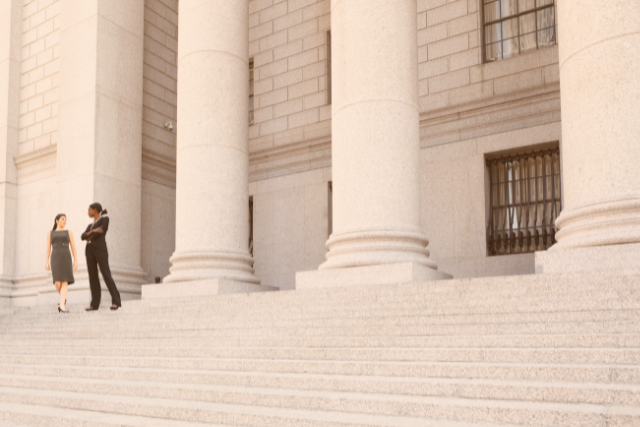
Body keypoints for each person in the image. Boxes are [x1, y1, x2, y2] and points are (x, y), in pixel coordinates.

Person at [82, 203, 121, 311]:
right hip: (89, 251)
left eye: (89, 210)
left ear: (95, 210)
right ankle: (94, 304)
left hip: (100, 250)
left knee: (106, 274)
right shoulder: (90, 226)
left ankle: (116, 301)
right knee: (93, 277)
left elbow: (101, 231)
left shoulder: (105, 219)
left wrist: (89, 235)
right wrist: (93, 231)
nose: (88, 212)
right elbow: (82, 236)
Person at [45, 214, 78, 313]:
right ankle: (63, 298)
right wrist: (46, 261)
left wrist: (75, 260)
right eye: (62, 219)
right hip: (55, 258)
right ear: (57, 220)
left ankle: (62, 305)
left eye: (65, 220)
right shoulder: (50, 233)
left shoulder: (69, 232)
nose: (64, 221)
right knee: (57, 282)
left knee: (65, 281)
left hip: (66, 258)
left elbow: (73, 247)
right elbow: (48, 248)